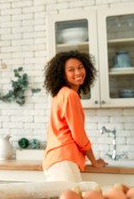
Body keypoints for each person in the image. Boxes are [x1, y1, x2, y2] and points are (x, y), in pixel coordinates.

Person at [43, 50, 107, 183]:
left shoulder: (60, 94)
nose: (78, 72)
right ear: (63, 74)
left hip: (55, 160)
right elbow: (78, 135)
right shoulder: (70, 95)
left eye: (80, 67)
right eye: (71, 70)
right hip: (64, 161)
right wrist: (94, 161)